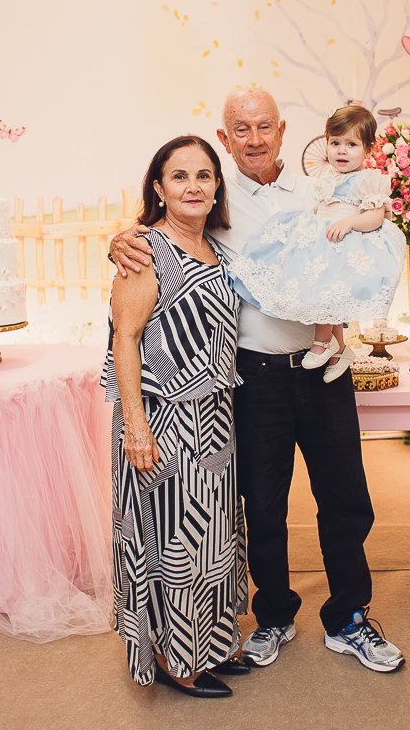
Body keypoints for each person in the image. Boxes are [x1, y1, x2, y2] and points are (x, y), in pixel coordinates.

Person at [109, 89, 405, 673]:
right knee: (262, 507)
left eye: (264, 127)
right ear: (225, 138)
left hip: (322, 368)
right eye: (240, 129)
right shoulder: (213, 205)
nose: (254, 139)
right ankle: (273, 615)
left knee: (346, 499)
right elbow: (158, 232)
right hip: (254, 378)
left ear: (284, 130)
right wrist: (120, 240)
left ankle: (349, 617)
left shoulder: (319, 186)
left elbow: (364, 242)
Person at [100, 135, 250, 698]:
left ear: (217, 186)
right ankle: (173, 660)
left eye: (204, 175)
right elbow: (126, 340)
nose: (194, 186)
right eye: (180, 176)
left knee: (214, 540)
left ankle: (209, 647)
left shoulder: (217, 247)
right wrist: (135, 426)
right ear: (158, 188)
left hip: (212, 419)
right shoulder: (145, 251)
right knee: (173, 547)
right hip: (161, 422)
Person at [227, 105, 407, 383]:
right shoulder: (327, 179)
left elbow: (376, 215)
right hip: (325, 242)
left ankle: (323, 343)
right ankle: (339, 350)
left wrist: (349, 223)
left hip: (344, 241)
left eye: (351, 144)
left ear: (368, 149)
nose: (342, 151)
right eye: (335, 143)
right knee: (320, 292)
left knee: (325, 295)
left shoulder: (368, 179)